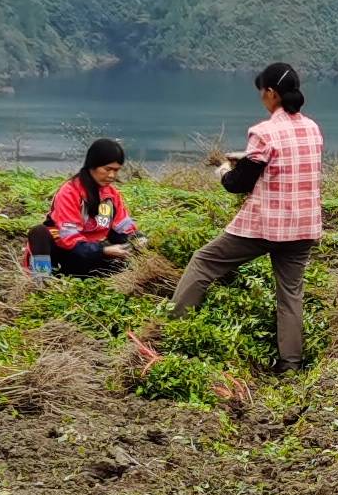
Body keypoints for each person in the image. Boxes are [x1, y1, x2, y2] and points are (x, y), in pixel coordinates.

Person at [134, 62, 322, 371]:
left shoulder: (264, 132)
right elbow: (284, 165)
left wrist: (224, 170)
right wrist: (246, 160)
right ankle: (291, 364)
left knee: (204, 261)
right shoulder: (312, 128)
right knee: (290, 294)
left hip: (266, 226)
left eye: (263, 92)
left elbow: (239, 185)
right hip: (303, 227)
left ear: (272, 94)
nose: (262, 97)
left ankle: (170, 331)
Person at [30, 139, 140, 279]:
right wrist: (103, 251)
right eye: (107, 169)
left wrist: (138, 240)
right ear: (92, 166)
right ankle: (40, 281)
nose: (112, 175)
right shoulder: (69, 192)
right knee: (39, 232)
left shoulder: (112, 195)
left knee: (129, 261)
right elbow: (69, 239)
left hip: (91, 255)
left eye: (116, 170)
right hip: (65, 254)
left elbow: (125, 229)